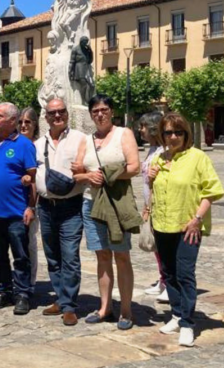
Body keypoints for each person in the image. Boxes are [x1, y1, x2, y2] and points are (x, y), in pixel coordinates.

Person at [148, 112, 224, 348]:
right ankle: (176, 314)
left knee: (185, 274)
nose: (173, 137)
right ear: (162, 135)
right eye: (168, 132)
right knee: (169, 273)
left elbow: (211, 191)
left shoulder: (197, 157)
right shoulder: (159, 159)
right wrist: (150, 180)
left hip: (188, 227)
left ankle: (188, 324)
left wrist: (197, 219)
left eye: (178, 132)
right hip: (162, 224)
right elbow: (158, 191)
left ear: (186, 134)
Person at [78, 94, 141, 330]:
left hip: (116, 203)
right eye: (95, 111)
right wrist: (87, 176)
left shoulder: (124, 134)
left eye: (104, 109)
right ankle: (105, 307)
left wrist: (106, 174)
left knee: (121, 256)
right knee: (102, 256)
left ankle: (126, 309)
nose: (100, 114)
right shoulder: (86, 139)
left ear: (111, 111)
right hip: (91, 203)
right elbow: (77, 171)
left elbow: (134, 166)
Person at [0, 102, 37, 315]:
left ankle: (23, 294)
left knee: (20, 256)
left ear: (12, 121)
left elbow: (33, 178)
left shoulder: (24, 145)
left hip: (16, 213)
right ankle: (4, 290)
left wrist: (31, 206)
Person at [33, 99, 87, 326]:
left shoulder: (80, 139)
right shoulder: (38, 143)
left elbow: (89, 167)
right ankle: (61, 298)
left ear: (67, 114)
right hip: (45, 207)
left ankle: (70, 306)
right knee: (53, 256)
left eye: (61, 112)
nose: (57, 116)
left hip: (70, 206)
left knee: (70, 256)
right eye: (53, 113)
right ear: (46, 117)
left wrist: (83, 170)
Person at [138, 112, 168, 303]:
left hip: (161, 204)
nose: (140, 130)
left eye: (143, 126)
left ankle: (169, 282)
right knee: (156, 246)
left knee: (164, 246)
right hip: (150, 202)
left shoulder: (165, 150)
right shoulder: (152, 149)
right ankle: (163, 280)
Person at [18, 107, 42, 287]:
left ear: (35, 124)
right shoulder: (13, 143)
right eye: (20, 122)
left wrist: (32, 205)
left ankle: (30, 280)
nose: (23, 125)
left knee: (30, 242)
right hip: (16, 199)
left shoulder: (39, 146)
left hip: (35, 200)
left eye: (27, 122)